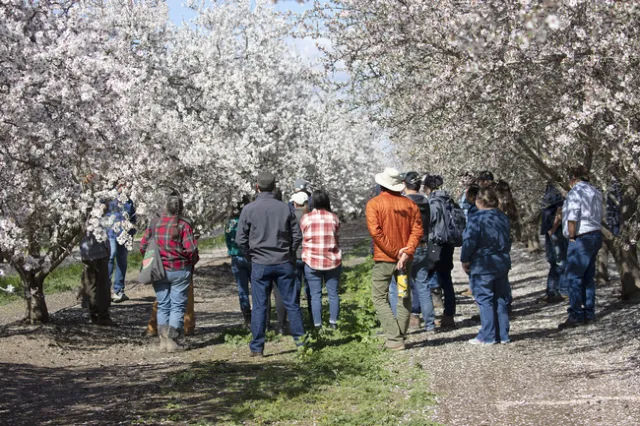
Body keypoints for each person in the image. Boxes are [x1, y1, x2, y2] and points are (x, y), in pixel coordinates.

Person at [236, 171, 305, 356]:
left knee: (259, 306)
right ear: (274, 187)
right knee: (292, 304)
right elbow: (297, 235)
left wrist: (250, 255)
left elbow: (240, 239)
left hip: (260, 262)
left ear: (257, 187)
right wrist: (290, 252)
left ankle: (257, 348)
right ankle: (302, 343)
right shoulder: (285, 208)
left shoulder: (249, 209)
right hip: (283, 261)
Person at [366, 168, 423, 351]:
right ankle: (399, 334)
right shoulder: (410, 205)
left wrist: (395, 252)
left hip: (384, 259)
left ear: (381, 184)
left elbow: (376, 233)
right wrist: (406, 252)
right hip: (405, 260)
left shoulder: (374, 204)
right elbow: (417, 230)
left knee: (379, 297)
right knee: (403, 295)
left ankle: (394, 337)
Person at [140, 193, 199, 352]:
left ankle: (163, 340)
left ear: (165, 207)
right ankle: (173, 340)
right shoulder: (183, 225)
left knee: (163, 304)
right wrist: (189, 260)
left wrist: (154, 259)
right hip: (179, 269)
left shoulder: (154, 224)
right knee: (178, 305)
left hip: (159, 270)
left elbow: (143, 246)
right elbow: (191, 249)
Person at [461, 186, 512, 344]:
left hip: (483, 263)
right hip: (502, 261)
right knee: (500, 298)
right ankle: (503, 334)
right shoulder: (503, 217)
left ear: (480, 201)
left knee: (484, 299)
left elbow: (470, 241)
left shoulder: (477, 218)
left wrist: (465, 259)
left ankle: (487, 335)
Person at [388, 172, 436, 333]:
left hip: (406, 249)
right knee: (423, 286)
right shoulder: (425, 201)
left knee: (401, 287)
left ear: (404, 183)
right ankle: (430, 324)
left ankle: (402, 324)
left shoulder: (403, 203)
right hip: (422, 246)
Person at [559, 165, 604, 329]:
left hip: (581, 236)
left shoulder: (575, 192)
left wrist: (571, 236)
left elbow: (572, 217)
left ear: (573, 179)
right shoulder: (595, 192)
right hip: (595, 234)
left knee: (574, 277)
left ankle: (576, 315)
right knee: (588, 277)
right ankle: (589, 312)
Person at [300, 189, 342, 329]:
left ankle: (317, 325)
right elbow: (337, 237)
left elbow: (303, 235)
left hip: (312, 260)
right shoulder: (334, 218)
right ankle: (333, 323)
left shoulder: (306, 218)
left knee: (315, 295)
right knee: (333, 294)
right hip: (332, 260)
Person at [423, 174, 459, 328]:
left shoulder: (432, 203)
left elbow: (427, 224)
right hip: (449, 244)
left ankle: (427, 318)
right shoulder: (450, 201)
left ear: (428, 187)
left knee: (425, 278)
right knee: (447, 279)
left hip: (434, 244)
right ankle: (449, 315)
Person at [79, 209, 114, 326]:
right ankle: (103, 315)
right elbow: (102, 234)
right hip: (99, 253)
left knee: (90, 285)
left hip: (87, 253)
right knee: (102, 286)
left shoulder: (81, 213)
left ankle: (92, 314)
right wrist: (107, 249)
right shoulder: (96, 213)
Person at [106, 182, 137, 303]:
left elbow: (133, 216)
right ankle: (105, 289)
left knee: (122, 260)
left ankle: (119, 291)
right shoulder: (110, 197)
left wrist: (132, 228)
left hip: (125, 234)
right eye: (122, 185)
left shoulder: (129, 200)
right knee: (111, 257)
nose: (125, 187)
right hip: (112, 233)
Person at [225, 200, 252, 328]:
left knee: (243, 289)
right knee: (257, 287)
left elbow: (228, 241)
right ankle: (261, 316)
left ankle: (247, 318)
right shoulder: (248, 220)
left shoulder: (229, 224)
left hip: (236, 257)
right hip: (250, 256)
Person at [539, 183, 568, 303]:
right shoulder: (551, 189)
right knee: (553, 261)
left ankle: (563, 291)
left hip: (555, 231)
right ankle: (552, 291)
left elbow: (560, 211)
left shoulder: (557, 191)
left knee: (560, 261)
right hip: (550, 231)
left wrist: (553, 228)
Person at [290, 191, 311, 319]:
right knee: (309, 285)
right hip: (309, 255)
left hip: (296, 255)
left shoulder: (290, 215)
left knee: (296, 285)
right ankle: (312, 313)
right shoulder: (310, 215)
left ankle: (297, 314)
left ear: (295, 203)